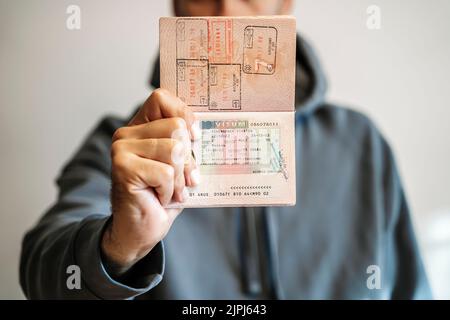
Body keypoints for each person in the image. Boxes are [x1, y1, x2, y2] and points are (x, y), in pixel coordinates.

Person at [20, 0, 432, 299]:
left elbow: (413, 289)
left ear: (284, 7)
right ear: (176, 10)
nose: (226, 16)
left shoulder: (360, 143)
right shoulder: (121, 146)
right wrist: (121, 245)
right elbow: (43, 272)